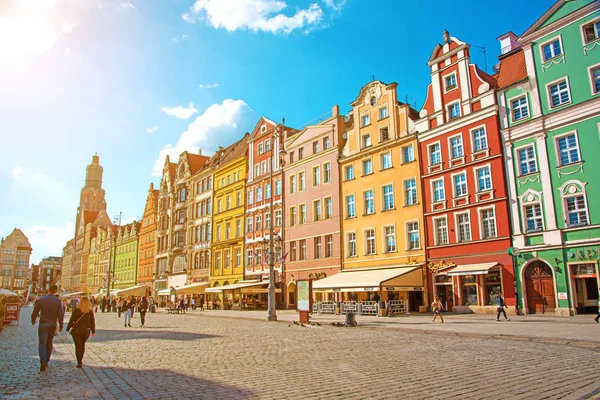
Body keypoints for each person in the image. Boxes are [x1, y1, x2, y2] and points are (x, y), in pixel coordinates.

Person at [31, 284, 64, 372]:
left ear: (48, 290)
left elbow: (35, 311)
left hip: (43, 324)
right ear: (56, 291)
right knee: (49, 343)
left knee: (42, 343)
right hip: (52, 324)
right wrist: (61, 325)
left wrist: (33, 320)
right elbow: (61, 314)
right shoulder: (58, 301)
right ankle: (47, 361)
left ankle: (43, 361)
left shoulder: (42, 300)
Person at [66, 297, 96, 368]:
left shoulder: (76, 310)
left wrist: (68, 329)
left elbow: (71, 320)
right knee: (82, 345)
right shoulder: (90, 311)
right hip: (86, 331)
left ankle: (79, 361)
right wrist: (93, 330)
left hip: (76, 330)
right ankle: (81, 359)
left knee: (78, 346)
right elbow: (92, 321)